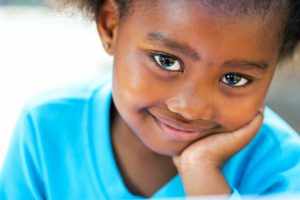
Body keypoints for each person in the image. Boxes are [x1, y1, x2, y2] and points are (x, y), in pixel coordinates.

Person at [1, 0, 300, 199]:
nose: (190, 106)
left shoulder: (282, 167)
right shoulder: (47, 128)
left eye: (234, 79)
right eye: (166, 61)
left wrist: (202, 173)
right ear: (111, 27)